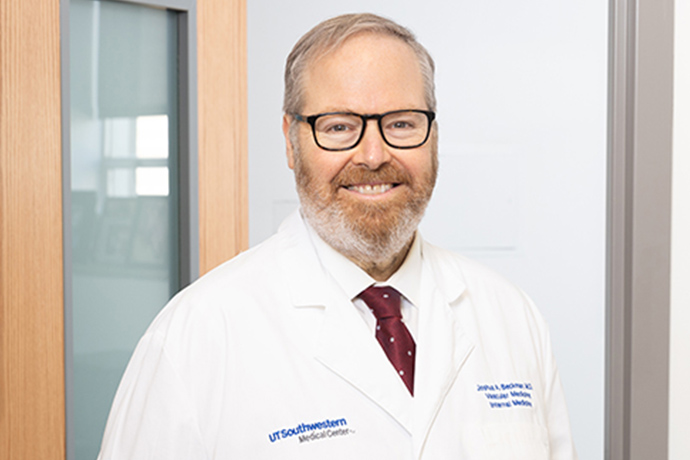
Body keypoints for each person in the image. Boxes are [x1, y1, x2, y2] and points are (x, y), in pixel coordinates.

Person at [98, 13, 578, 460]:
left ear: (433, 136)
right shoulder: (195, 337)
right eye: (340, 127)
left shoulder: (510, 316)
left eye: (401, 123)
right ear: (291, 141)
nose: (373, 155)